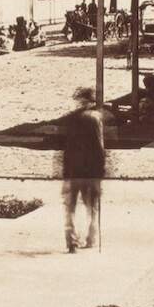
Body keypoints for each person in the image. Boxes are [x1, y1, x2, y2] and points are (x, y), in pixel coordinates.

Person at [62, 87, 106, 252]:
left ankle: (71, 241)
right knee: (92, 206)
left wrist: (66, 169)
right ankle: (91, 238)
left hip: (74, 169)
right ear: (92, 101)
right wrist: (101, 169)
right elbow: (99, 145)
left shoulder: (72, 118)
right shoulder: (95, 118)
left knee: (70, 206)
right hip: (91, 170)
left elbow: (66, 147)